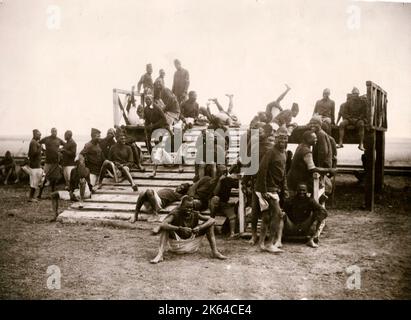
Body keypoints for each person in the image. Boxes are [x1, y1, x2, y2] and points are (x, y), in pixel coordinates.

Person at [150, 195, 227, 264]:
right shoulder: (175, 213)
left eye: (191, 207)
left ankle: (215, 251)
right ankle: (160, 255)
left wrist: (200, 227)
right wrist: (179, 229)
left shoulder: (195, 213)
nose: (189, 210)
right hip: (177, 245)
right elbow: (163, 224)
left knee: (209, 225)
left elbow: (212, 220)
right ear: (181, 206)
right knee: (165, 228)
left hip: (192, 245)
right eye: (186, 207)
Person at [252, 127, 289, 253]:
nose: (282, 141)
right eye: (280, 138)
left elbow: (283, 173)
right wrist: (263, 190)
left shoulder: (284, 153)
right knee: (278, 215)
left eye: (285, 138)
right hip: (267, 188)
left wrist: (285, 188)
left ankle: (261, 243)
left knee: (267, 216)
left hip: (274, 188)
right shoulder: (270, 152)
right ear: (276, 139)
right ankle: (270, 243)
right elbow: (262, 170)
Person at [287, 131, 336, 196]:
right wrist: (329, 170)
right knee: (324, 188)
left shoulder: (300, 146)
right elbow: (312, 169)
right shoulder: (307, 151)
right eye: (314, 138)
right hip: (299, 179)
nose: (316, 139)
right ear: (307, 139)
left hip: (292, 177)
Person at [282, 183, 328, 248]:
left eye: (303, 190)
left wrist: (315, 223)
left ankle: (311, 239)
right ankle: (278, 239)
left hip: (305, 226)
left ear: (306, 191)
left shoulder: (310, 200)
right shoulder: (290, 200)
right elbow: (283, 211)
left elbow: (324, 212)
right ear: (296, 191)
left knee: (317, 214)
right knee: (281, 214)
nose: (301, 192)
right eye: (300, 190)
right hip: (291, 225)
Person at [51, 154, 93, 220]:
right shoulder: (73, 171)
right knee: (53, 195)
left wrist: (82, 162)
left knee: (82, 181)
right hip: (75, 193)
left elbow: (84, 177)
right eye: (79, 161)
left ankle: (81, 201)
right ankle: (55, 215)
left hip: (85, 192)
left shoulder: (86, 170)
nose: (81, 162)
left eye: (82, 161)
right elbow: (71, 184)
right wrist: (70, 191)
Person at [210, 166, 240, 238]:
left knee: (232, 216)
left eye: (225, 171)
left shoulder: (228, 180)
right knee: (215, 199)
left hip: (224, 203)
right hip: (214, 203)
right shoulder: (214, 180)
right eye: (222, 172)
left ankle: (232, 233)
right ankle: (211, 230)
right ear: (218, 172)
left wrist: (239, 178)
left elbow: (237, 185)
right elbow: (214, 193)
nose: (224, 173)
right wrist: (219, 181)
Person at [38, 128, 65, 197]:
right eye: (53, 131)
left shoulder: (59, 140)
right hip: (48, 162)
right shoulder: (46, 139)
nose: (54, 133)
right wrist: (43, 150)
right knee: (44, 178)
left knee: (54, 179)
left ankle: (52, 194)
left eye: (55, 131)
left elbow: (65, 145)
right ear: (51, 132)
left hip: (55, 163)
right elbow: (39, 143)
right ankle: (39, 194)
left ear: (57, 132)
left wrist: (60, 150)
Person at [21, 129, 44, 202]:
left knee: (37, 180)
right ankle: (31, 197)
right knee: (34, 182)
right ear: (34, 135)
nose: (40, 136)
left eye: (40, 135)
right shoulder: (33, 142)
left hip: (36, 165)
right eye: (39, 135)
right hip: (34, 166)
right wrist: (40, 148)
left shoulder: (34, 142)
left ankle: (32, 196)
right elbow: (33, 154)